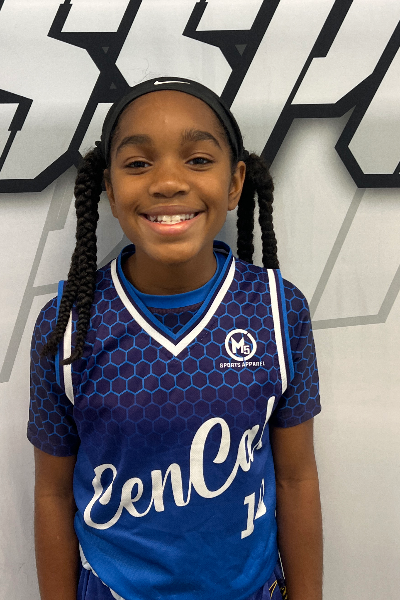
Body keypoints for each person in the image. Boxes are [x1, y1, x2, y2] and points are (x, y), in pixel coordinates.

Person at [28, 77, 322, 600]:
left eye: (198, 160)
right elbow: (52, 493)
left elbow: (296, 478)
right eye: (138, 163)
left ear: (235, 183)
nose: (167, 182)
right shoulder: (68, 325)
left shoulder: (278, 310)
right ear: (110, 188)